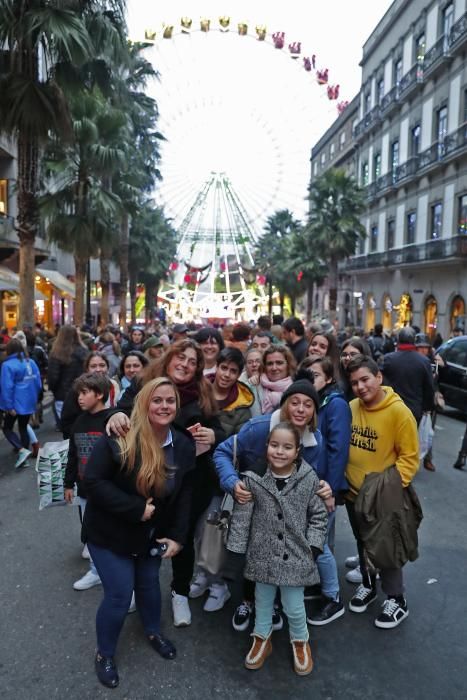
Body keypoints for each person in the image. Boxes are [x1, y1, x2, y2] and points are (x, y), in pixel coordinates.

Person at [82, 377, 197, 688]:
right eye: (156, 400)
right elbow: (91, 482)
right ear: (144, 403)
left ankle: (153, 631)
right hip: (108, 532)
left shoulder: (183, 444)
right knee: (119, 594)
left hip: (151, 535)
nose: (163, 406)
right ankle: (104, 654)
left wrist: (178, 537)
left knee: (148, 585)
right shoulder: (121, 435)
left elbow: (185, 495)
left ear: (177, 406)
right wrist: (135, 509)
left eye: (169, 401)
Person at [105, 339, 225, 627]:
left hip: (190, 478)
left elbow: (219, 430)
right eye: (180, 357)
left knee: (179, 534)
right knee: (140, 531)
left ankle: (179, 591)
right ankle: (134, 588)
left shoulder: (203, 393)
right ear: (169, 358)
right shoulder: (144, 381)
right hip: (145, 473)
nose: (185, 364)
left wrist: (212, 436)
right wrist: (117, 414)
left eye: (192, 361)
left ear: (198, 368)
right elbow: (118, 410)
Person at [214, 376, 333, 632]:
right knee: (250, 555)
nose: (301, 409)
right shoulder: (258, 428)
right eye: (295, 403)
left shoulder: (315, 440)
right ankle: (246, 601)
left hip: (287, 509)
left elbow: (313, 476)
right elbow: (222, 452)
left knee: (279, 553)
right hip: (251, 501)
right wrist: (232, 482)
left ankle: (275, 605)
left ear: (314, 411)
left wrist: (323, 487)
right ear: (285, 404)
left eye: (308, 405)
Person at [227, 422, 327, 675]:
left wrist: (313, 547)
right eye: (274, 445)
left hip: (296, 555)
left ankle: (300, 640)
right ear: (266, 447)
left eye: (287, 447)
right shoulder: (253, 479)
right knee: (262, 600)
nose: (280, 452)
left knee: (294, 605)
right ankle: (261, 638)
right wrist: (236, 554)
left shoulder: (308, 478)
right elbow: (241, 519)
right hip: (262, 555)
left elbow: (318, 516)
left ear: (297, 451)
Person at [345, 356, 419, 629]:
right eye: (354, 383)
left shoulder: (399, 412)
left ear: (378, 377)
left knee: (388, 548)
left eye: (365, 379)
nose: (360, 387)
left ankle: (397, 600)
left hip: (382, 497)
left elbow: (410, 459)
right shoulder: (352, 407)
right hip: (353, 495)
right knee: (362, 542)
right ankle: (368, 584)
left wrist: (385, 491)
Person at [190, 347, 255, 610]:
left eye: (233, 370)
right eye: (223, 367)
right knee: (195, 529)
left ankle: (219, 584)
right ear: (215, 366)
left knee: (213, 529)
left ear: (239, 374)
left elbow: (243, 443)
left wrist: (218, 438)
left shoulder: (242, 405)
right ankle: (203, 574)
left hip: (219, 476)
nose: (226, 374)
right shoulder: (199, 391)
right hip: (192, 473)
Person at [299, 358, 350, 625]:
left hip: (323, 487)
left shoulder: (335, 404)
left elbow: (337, 450)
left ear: (329, 378)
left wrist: (329, 489)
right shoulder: (313, 402)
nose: (311, 380)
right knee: (315, 543)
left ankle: (333, 598)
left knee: (317, 544)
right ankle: (320, 587)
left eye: (316, 375)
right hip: (311, 486)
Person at [64, 373, 112, 591]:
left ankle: (117, 572)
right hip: (85, 491)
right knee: (90, 532)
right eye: (78, 394)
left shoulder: (111, 419)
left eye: (84, 393)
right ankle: (96, 571)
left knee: (112, 532)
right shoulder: (79, 422)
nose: (79, 398)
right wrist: (68, 484)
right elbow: (73, 455)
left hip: (109, 491)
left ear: (100, 394)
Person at [0, 338, 42, 467]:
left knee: (7, 428)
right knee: (23, 427)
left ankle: (21, 450)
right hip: (29, 401)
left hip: (15, 402)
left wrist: (8, 406)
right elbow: (38, 383)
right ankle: (23, 456)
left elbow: (7, 387)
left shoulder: (7, 365)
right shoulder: (31, 362)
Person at [61, 352, 121, 439]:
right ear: (87, 369)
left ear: (107, 367)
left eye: (102, 365)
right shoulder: (78, 389)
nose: (98, 369)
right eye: (93, 366)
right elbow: (67, 421)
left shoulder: (114, 385)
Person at [382, 327, 434, 426]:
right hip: (413, 410)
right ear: (414, 341)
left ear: (398, 340)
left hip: (391, 407)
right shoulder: (424, 361)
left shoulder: (388, 359)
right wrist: (426, 408)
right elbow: (429, 388)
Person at [47, 325, 89, 427]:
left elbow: (53, 377)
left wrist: (53, 390)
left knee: (67, 426)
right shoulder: (84, 351)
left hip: (62, 394)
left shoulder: (56, 354)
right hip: (82, 392)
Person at [246, 345, 296, 416]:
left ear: (288, 365)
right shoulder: (253, 386)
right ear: (264, 367)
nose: (274, 368)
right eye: (270, 364)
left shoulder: (296, 388)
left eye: (279, 363)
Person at [339, 336, 372, 401]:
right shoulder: (337, 382)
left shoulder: (373, 380)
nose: (347, 358)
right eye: (344, 355)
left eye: (353, 354)